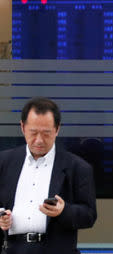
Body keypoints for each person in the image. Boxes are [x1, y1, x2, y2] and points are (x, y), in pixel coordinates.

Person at [0, 97, 97, 254]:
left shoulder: (77, 167)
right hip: (13, 249)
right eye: (33, 132)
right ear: (22, 127)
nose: (39, 140)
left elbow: (89, 215)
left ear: (57, 129)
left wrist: (64, 211)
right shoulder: (4, 162)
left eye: (46, 133)